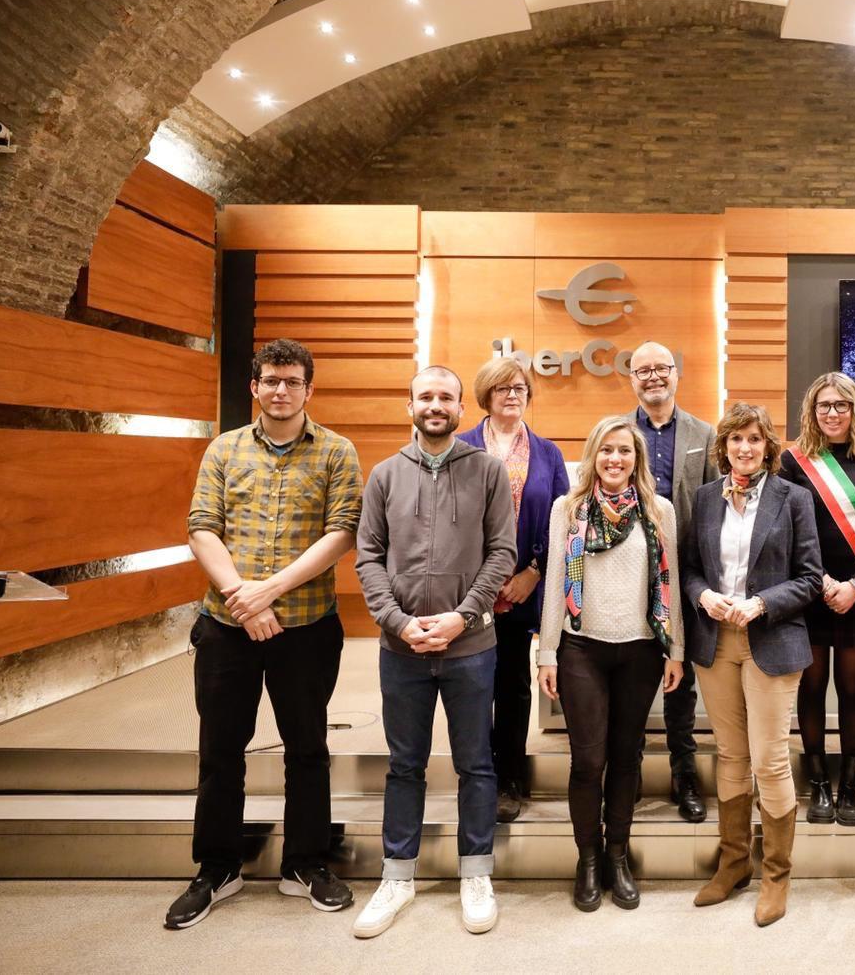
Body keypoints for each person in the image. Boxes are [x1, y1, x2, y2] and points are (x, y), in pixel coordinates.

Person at [171, 338, 362, 930]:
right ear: (255, 387)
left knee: (307, 749)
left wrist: (269, 591)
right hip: (226, 626)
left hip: (305, 626)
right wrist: (242, 598)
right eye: (271, 380)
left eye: (292, 381)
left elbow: (342, 532)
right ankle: (217, 867)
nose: (281, 390)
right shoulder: (224, 449)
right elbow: (201, 527)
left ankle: (305, 863)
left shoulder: (337, 451)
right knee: (220, 751)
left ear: (309, 389)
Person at [352, 366, 516, 939]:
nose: (435, 405)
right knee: (405, 764)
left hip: (470, 646)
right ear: (411, 406)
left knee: (476, 763)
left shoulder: (488, 471)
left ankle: (476, 873)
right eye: (426, 396)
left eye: (446, 397)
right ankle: (397, 877)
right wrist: (398, 622)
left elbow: (502, 552)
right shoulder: (384, 475)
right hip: (402, 649)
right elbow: (368, 556)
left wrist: (461, 616)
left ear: (461, 408)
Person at [536, 416, 685, 912]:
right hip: (582, 649)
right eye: (606, 450)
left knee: (626, 758)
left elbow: (670, 582)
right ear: (593, 456)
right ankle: (588, 859)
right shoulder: (568, 508)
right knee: (588, 760)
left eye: (624, 450)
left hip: (641, 650)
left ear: (636, 458)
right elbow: (555, 582)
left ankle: (617, 855)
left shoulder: (659, 510)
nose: (615, 459)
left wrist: (676, 650)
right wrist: (547, 653)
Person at [683, 403, 822, 928]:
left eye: (755, 439)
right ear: (723, 446)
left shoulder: (794, 498)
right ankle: (734, 862)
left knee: (770, 761)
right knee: (730, 755)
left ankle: (776, 875)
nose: (745, 448)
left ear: (768, 447)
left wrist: (762, 603)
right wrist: (703, 596)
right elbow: (690, 568)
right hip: (716, 642)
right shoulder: (705, 498)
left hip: (772, 640)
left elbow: (810, 578)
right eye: (736, 439)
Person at [457, 357, 570, 824]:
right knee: (471, 686)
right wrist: (481, 581)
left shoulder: (548, 453)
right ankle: (476, 777)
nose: (512, 395)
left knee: (513, 687)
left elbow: (563, 520)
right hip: (468, 591)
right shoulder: (460, 446)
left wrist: (534, 572)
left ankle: (510, 779)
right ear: (486, 395)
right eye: (502, 388)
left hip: (523, 589)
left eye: (520, 388)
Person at [778, 372, 855, 827]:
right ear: (812, 410)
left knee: (851, 690)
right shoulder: (793, 461)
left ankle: (850, 787)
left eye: (841, 405)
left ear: (854, 409)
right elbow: (786, 529)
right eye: (824, 405)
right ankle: (819, 785)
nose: (832, 413)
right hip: (809, 593)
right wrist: (822, 582)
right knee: (810, 689)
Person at [627, 340, 717, 823]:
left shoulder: (705, 433)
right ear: (632, 379)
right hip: (628, 577)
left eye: (661, 368)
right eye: (643, 370)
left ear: (676, 373)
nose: (654, 377)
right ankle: (628, 775)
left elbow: (716, 505)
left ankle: (685, 775)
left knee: (681, 684)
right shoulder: (617, 432)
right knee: (633, 681)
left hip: (685, 577)